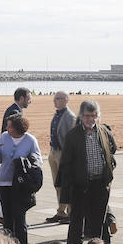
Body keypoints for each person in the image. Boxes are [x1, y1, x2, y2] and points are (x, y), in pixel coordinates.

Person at [59, 100, 118, 244]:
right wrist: (69, 185)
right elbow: (65, 163)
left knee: (98, 222)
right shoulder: (73, 135)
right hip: (80, 186)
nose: (90, 119)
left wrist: (109, 172)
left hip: (100, 185)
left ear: (98, 116)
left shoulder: (104, 132)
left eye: (93, 116)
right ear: (81, 116)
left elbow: (112, 149)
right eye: (86, 116)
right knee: (77, 222)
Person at [0, 113, 42, 244]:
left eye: (9, 126)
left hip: (21, 186)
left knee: (20, 221)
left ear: (17, 128)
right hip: (4, 184)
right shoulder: (4, 137)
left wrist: (23, 162)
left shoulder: (30, 140)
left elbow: (38, 160)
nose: (6, 128)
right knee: (7, 221)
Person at [46, 90, 76, 224]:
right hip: (53, 151)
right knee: (57, 184)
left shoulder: (70, 117)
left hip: (63, 153)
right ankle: (61, 211)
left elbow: (72, 139)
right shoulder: (57, 114)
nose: (55, 101)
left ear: (65, 100)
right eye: (54, 99)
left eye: (58, 99)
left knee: (66, 184)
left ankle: (70, 212)